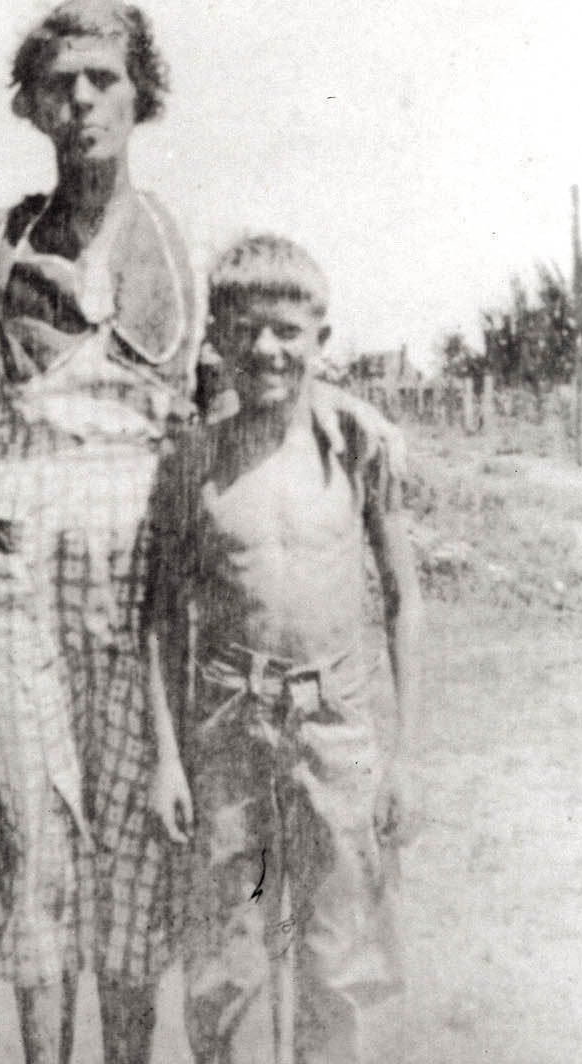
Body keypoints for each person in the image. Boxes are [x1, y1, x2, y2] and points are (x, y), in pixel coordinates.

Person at [0, 0, 198, 1064]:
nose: (80, 100)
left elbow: (238, 418)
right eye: (58, 83)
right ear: (29, 103)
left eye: (102, 79)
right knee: (35, 836)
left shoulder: (188, 254)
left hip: (138, 587)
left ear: (139, 93)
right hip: (8, 576)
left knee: (133, 838)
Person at [145, 234, 424, 1064]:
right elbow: (162, 618)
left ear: (319, 341)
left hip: (335, 728)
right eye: (245, 330)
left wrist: (403, 756)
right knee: (229, 962)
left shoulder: (357, 453)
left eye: (287, 331)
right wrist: (168, 757)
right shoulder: (193, 465)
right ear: (217, 340)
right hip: (229, 729)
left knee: (339, 955)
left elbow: (407, 601)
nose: (266, 348)